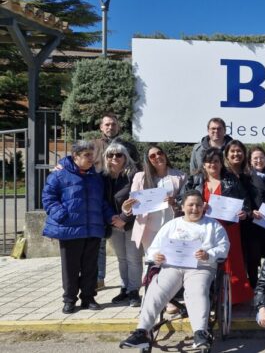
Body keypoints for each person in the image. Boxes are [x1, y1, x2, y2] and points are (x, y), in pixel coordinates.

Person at [119, 190, 229, 350]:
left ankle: (200, 332)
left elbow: (224, 248)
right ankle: (142, 331)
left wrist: (209, 254)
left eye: (198, 205)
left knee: (197, 291)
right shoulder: (171, 225)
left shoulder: (213, 226)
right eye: (190, 205)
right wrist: (156, 256)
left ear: (204, 207)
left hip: (200, 267)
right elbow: (154, 248)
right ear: (183, 207)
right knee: (156, 290)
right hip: (172, 266)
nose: (194, 208)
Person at [42, 140, 117, 314]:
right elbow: (49, 198)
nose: (91, 158)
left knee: (91, 266)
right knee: (71, 267)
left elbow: (102, 202)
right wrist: (62, 216)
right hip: (70, 229)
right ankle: (69, 300)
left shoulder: (96, 177)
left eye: (92, 154)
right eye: (87, 155)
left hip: (93, 228)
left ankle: (88, 298)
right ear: (76, 156)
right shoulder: (59, 174)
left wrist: (110, 216)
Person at [184, 148, 253, 305]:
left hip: (228, 227)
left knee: (231, 261)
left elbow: (245, 201)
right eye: (209, 161)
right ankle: (207, 296)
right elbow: (185, 198)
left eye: (216, 161)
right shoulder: (195, 180)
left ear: (221, 163)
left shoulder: (232, 180)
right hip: (203, 228)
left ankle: (235, 297)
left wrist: (245, 212)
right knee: (204, 258)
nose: (212, 164)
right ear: (203, 164)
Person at [92, 113, 140, 290]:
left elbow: (138, 172)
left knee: (130, 256)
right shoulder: (94, 145)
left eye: (113, 124)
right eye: (107, 124)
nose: (110, 127)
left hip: (124, 203)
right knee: (100, 244)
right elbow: (78, 159)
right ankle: (99, 279)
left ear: (118, 126)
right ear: (101, 127)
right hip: (101, 199)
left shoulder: (128, 146)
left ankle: (131, 289)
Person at [223, 141, 265, 289]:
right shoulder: (222, 173)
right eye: (233, 151)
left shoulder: (247, 174)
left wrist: (249, 213)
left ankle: (248, 289)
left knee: (247, 257)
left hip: (247, 222)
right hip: (228, 222)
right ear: (226, 154)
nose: (236, 154)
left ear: (244, 155)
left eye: (239, 151)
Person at [126, 145, 186, 252]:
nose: (157, 157)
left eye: (160, 153)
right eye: (152, 156)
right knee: (152, 261)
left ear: (164, 155)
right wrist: (127, 207)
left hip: (172, 226)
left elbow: (185, 200)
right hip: (149, 228)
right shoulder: (140, 177)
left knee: (170, 260)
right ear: (148, 160)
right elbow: (131, 204)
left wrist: (175, 201)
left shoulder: (180, 176)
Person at [102, 142, 140, 307]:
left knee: (133, 259)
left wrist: (124, 218)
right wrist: (112, 218)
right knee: (122, 259)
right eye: (111, 155)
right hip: (113, 223)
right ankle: (125, 288)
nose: (114, 158)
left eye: (119, 155)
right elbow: (102, 200)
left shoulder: (134, 175)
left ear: (126, 157)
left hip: (131, 223)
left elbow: (138, 200)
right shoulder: (104, 177)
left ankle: (134, 291)